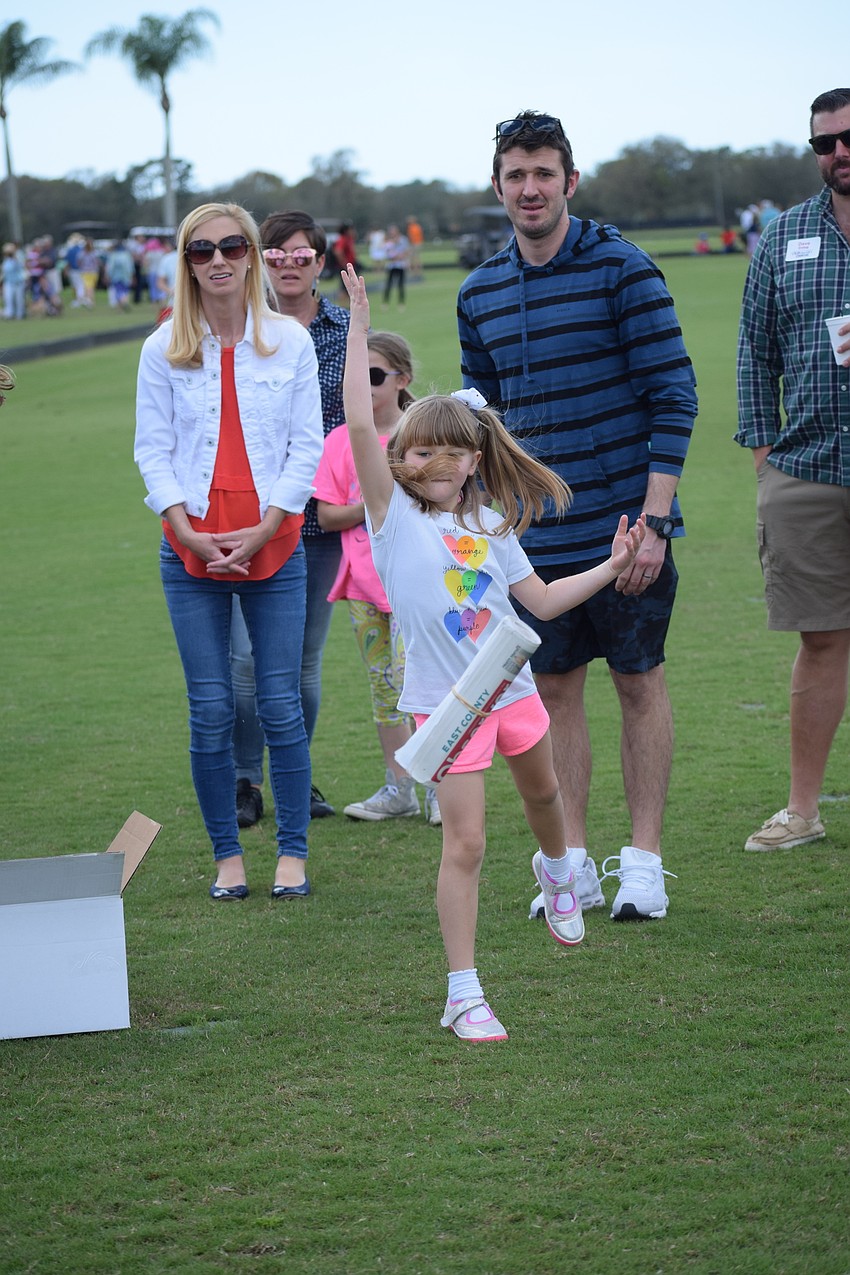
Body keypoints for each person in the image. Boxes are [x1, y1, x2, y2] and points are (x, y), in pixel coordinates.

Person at [340, 263, 645, 1040]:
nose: (432, 466)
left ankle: (556, 869)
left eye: (449, 454)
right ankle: (463, 991)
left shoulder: (493, 527)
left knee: (546, 800)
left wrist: (610, 567)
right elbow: (361, 421)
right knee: (466, 841)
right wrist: (356, 326)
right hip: (445, 711)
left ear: (474, 459)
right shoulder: (392, 517)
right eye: (418, 454)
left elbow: (538, 601)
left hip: (513, 696)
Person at [457, 111, 697, 922]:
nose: (531, 188)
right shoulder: (479, 290)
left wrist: (656, 523)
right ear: (498, 186)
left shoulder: (622, 269)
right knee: (553, 692)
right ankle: (574, 868)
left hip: (627, 528)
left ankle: (645, 864)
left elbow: (674, 396)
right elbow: (483, 423)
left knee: (638, 684)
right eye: (516, 175)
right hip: (535, 540)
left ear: (570, 180)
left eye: (544, 173)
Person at [134, 201, 324, 901]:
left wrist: (272, 524)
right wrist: (182, 527)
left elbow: (308, 445)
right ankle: (227, 858)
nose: (218, 260)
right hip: (189, 556)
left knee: (280, 705)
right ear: (186, 263)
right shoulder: (163, 348)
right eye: (201, 250)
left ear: (252, 255)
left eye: (232, 246)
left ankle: (293, 854)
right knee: (210, 707)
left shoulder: (289, 342)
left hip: (275, 551)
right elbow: (152, 449)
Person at [736, 87, 850, 852]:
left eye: (848, 137)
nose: (838, 152)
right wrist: (762, 450)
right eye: (824, 142)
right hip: (808, 466)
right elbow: (755, 349)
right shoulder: (783, 239)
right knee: (821, 641)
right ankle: (802, 810)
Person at [228, 210, 350, 827]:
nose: (290, 264)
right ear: (258, 260)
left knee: (303, 662)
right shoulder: (233, 326)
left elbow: (365, 410)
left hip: (319, 522)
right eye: (276, 255)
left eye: (302, 255)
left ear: (320, 263)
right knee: (248, 660)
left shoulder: (345, 329)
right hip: (247, 518)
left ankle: (294, 775)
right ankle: (245, 779)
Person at [315, 330, 440, 825]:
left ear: (402, 379)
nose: (364, 387)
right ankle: (399, 788)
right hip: (363, 590)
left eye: (375, 376)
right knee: (383, 691)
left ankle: (437, 789)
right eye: (355, 377)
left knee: (422, 688)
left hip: (417, 587)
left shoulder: (423, 437)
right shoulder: (339, 441)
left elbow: (438, 502)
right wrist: (376, 499)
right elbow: (326, 515)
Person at [382, 225, 409, 308]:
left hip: (401, 265)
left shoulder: (403, 240)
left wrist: (399, 256)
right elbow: (387, 253)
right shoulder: (388, 242)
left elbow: (406, 251)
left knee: (400, 285)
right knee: (388, 284)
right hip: (391, 265)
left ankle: (401, 302)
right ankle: (385, 302)